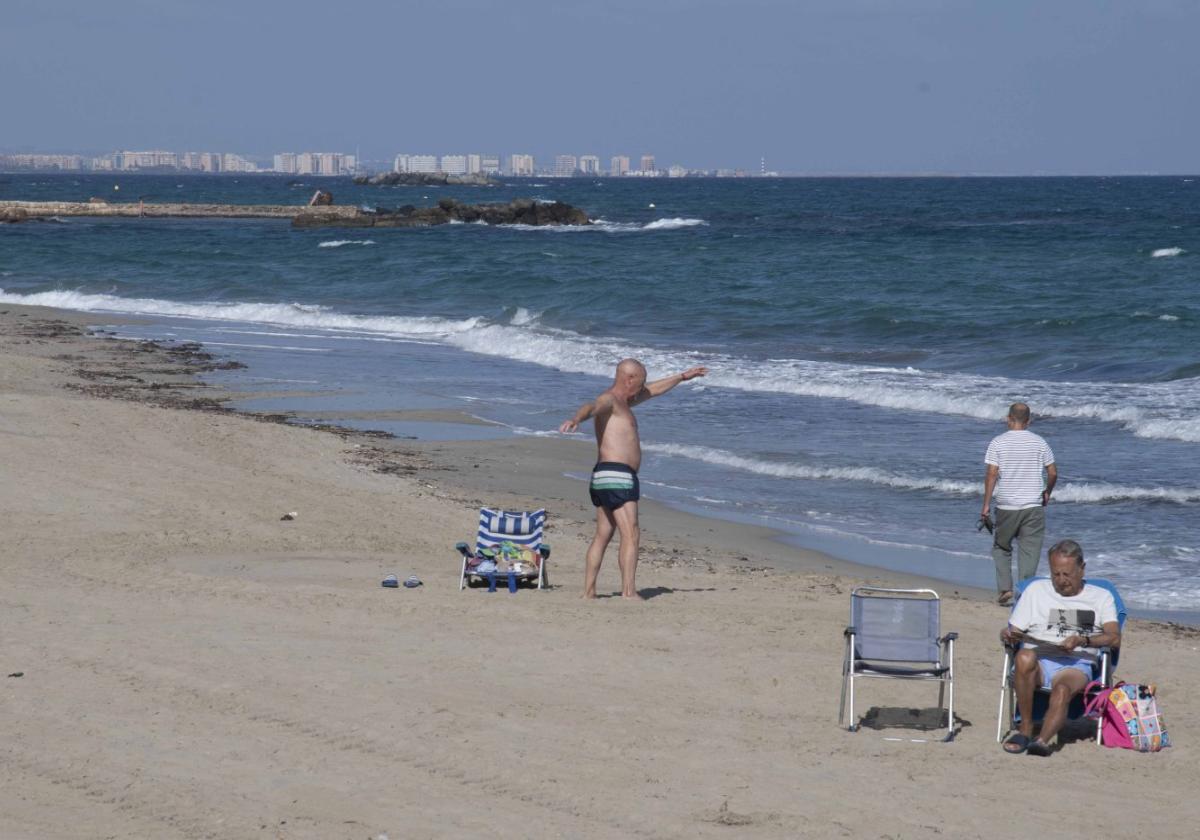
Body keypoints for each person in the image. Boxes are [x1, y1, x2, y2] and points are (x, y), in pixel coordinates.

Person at [559, 359, 708, 599]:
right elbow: (591, 406)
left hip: (603, 475)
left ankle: (588, 592)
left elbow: (654, 390)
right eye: (640, 382)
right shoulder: (610, 400)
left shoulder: (625, 402)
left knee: (603, 535)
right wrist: (577, 419)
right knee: (631, 534)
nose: (643, 387)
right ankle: (628, 592)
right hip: (618, 475)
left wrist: (682, 377)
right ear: (629, 379)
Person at [1000, 540, 1120, 757]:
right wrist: (1008, 634)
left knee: (1062, 689)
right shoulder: (1036, 591)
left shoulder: (1101, 597)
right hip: (1040, 657)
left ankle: (1042, 741)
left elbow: (1114, 638)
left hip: (1075, 662)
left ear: (1082, 569)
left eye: (1067, 574)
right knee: (1025, 656)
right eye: (1056, 574)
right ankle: (1025, 729)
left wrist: (1083, 640)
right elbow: (1013, 630)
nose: (1061, 581)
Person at [981, 402, 1057, 606]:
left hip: (1006, 505)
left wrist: (986, 505)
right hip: (1033, 504)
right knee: (1029, 551)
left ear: (1008, 419)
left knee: (1001, 547)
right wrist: (1047, 492)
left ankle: (1005, 588)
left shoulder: (998, 442)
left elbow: (991, 474)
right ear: (1028, 421)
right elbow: (1052, 472)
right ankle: (1024, 592)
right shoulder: (1040, 442)